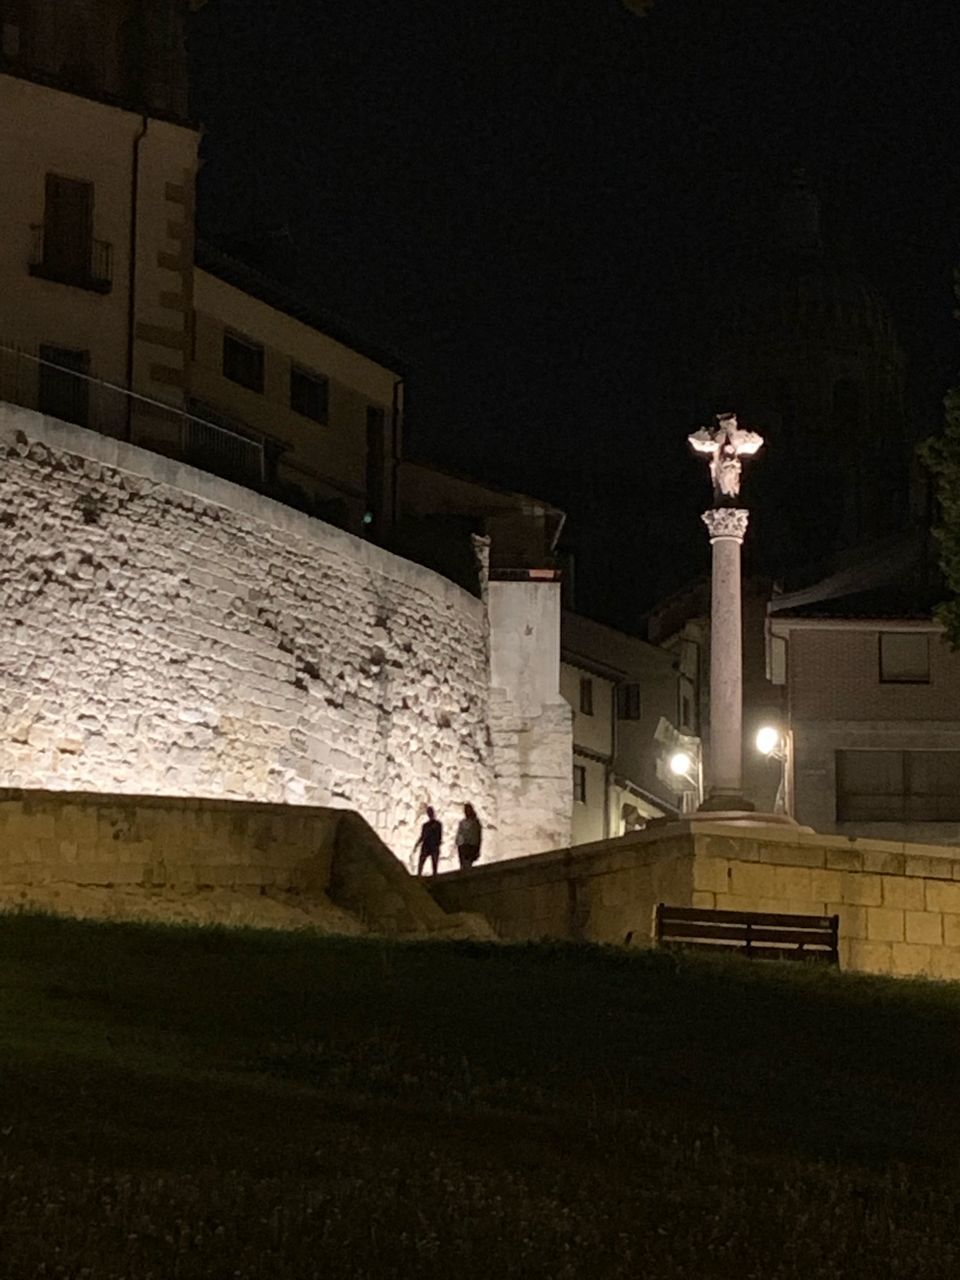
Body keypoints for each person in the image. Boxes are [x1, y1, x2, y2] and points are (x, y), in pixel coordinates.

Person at [412, 806, 443, 876]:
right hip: (426, 845)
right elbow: (422, 836)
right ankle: (419, 875)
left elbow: (439, 836)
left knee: (434, 863)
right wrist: (417, 844)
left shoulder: (438, 824)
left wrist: (437, 844)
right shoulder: (425, 825)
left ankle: (434, 875)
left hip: (433, 846)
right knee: (421, 861)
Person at [455, 803, 482, 870]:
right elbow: (460, 833)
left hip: (472, 844)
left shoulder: (475, 822)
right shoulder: (462, 822)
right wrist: (458, 841)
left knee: (468, 860)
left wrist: (478, 847)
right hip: (463, 845)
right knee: (464, 861)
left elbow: (478, 834)